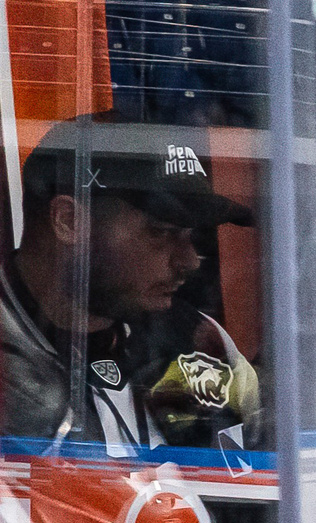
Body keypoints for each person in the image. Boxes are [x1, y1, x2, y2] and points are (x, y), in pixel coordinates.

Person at [2, 115, 256, 454]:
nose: (190, 261)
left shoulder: (200, 342)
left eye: (191, 234)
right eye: (161, 232)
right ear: (68, 221)